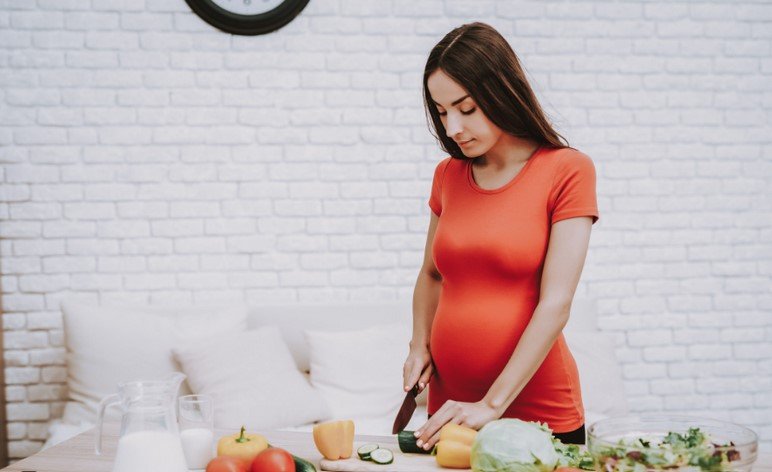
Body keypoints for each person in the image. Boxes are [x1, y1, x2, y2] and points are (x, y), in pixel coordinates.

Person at [402, 22, 600, 450]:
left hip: (537, 408)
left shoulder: (567, 170)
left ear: (503, 92)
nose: (452, 127)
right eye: (441, 111)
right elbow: (431, 275)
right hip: (450, 409)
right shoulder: (448, 176)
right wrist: (418, 344)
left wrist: (491, 404)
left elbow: (556, 303)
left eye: (466, 108)